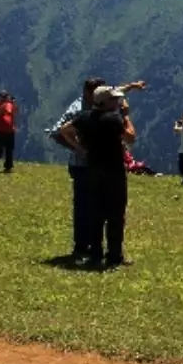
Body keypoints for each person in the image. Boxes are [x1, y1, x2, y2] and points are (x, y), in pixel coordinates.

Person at [51, 77, 146, 260]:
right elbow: (130, 138)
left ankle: (94, 251)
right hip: (113, 171)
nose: (117, 102)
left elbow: (64, 129)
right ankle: (114, 254)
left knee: (96, 212)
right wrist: (126, 115)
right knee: (115, 213)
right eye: (114, 100)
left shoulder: (84, 117)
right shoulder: (112, 119)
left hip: (92, 169)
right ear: (104, 102)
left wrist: (80, 148)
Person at [0, 91, 18, 173]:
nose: (4, 98)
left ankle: (8, 167)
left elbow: (14, 111)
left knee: (9, 150)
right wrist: (6, 103)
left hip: (10, 132)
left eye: (5, 96)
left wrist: (13, 104)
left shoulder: (9, 105)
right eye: (2, 97)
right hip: (0, 132)